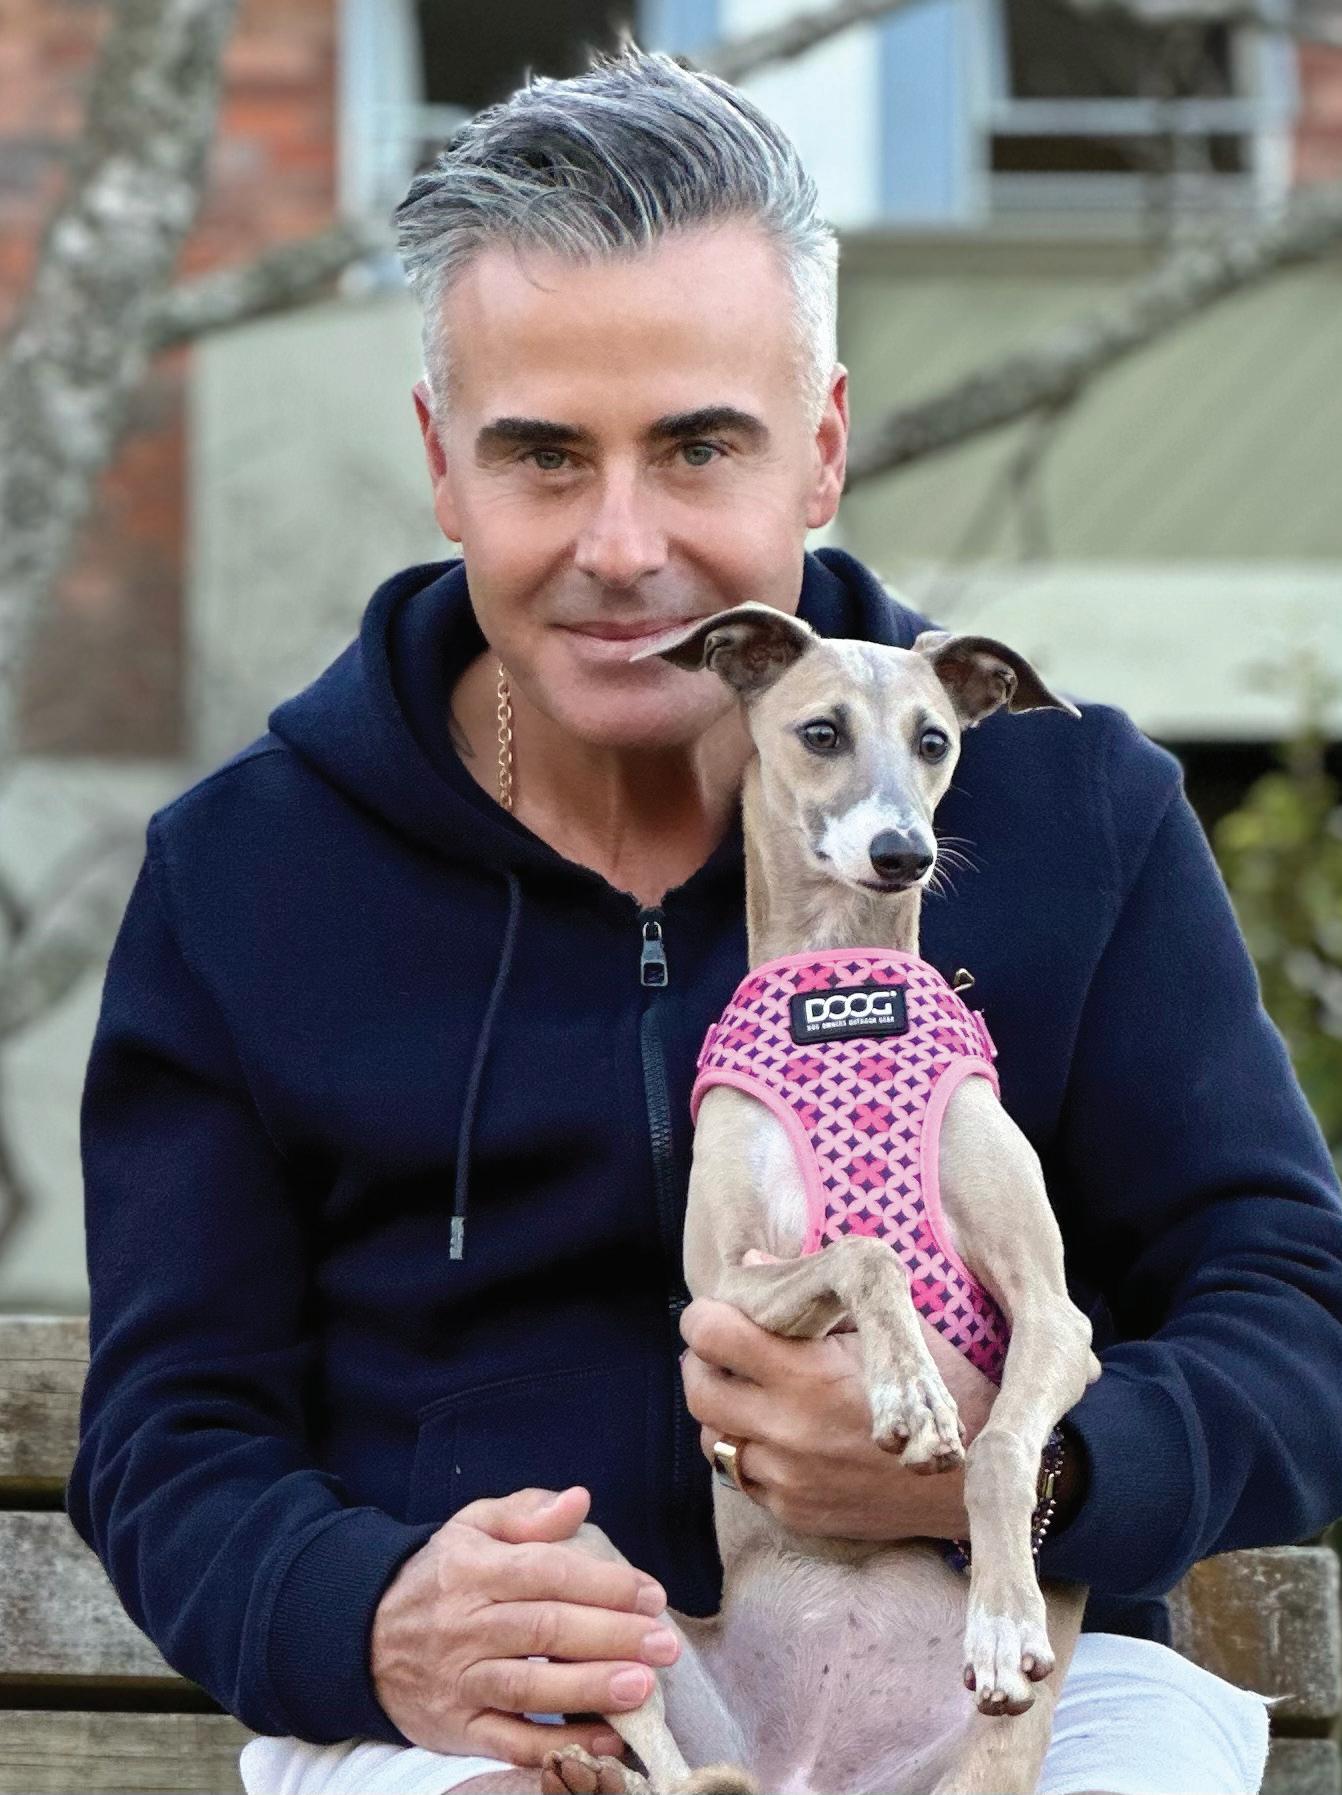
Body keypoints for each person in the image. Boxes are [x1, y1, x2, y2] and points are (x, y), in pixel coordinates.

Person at [66, 43, 1340, 1795]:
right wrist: (369, 1615)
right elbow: (169, 1429)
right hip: (525, 1717)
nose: (620, 545)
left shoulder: (1074, 813)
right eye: (541, 456)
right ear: (441, 463)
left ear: (819, 447)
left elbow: (1292, 1310)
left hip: (1008, 1670)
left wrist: (1033, 1473)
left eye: (695, 448)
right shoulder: (251, 875)